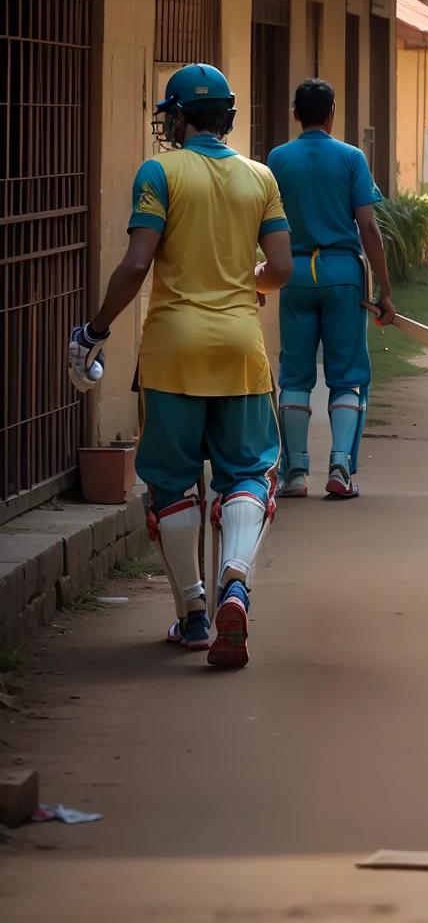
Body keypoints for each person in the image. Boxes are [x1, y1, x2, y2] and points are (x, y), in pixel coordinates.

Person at [67, 64, 293, 670]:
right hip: (242, 352)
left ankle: (194, 614)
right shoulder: (260, 176)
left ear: (177, 118)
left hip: (172, 352)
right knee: (247, 473)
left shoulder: (158, 171)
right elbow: (280, 268)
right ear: (228, 117)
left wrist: (95, 328)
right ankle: (237, 584)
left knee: (170, 484)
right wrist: (248, 285)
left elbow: (137, 264)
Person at [267, 77, 397, 503]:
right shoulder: (351, 157)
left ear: (295, 115)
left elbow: (267, 225)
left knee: (296, 375)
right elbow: (368, 226)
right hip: (343, 275)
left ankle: (294, 473)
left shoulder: (277, 159)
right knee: (347, 375)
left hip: (295, 273)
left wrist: (262, 276)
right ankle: (340, 466)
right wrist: (385, 290)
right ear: (332, 114)